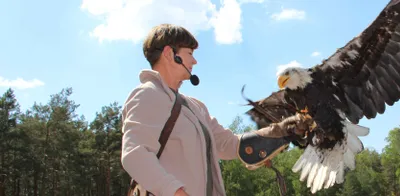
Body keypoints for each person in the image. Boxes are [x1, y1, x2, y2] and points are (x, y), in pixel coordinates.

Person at [120, 24, 310, 196]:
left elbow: (228, 144)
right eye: (189, 53)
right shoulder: (147, 94)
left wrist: (283, 131)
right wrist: (176, 192)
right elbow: (135, 155)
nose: (194, 61)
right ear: (171, 54)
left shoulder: (195, 107)